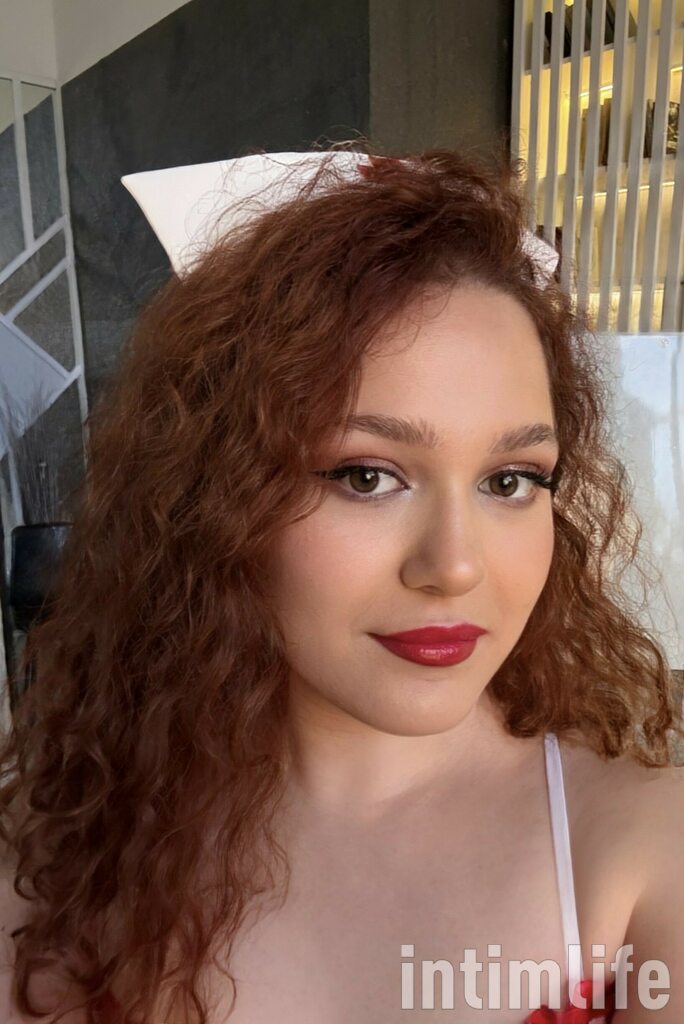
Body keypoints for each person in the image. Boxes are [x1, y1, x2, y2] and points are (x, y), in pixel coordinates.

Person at [0, 146, 682, 1024]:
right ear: (215, 498)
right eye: (367, 476)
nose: (456, 566)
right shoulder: (54, 862)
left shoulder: (641, 859)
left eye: (510, 480)